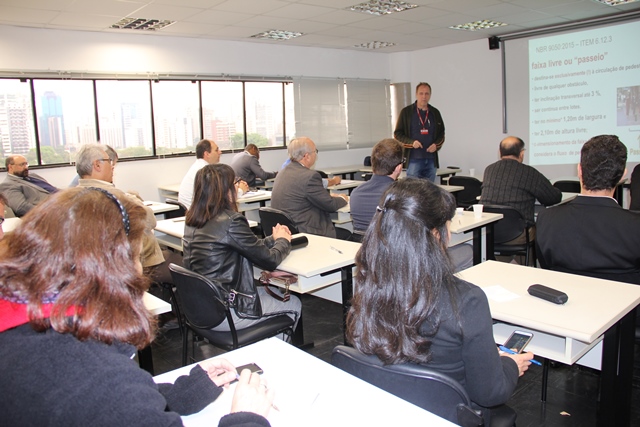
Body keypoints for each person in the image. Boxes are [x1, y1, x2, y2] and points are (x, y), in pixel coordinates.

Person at [0, 187, 275, 426]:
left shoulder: (27, 335)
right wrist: (246, 417)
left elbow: (105, 407)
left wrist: (184, 392)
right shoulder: (101, 377)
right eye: (136, 255)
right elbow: (108, 397)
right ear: (115, 268)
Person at [346, 178, 533, 423]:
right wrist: (509, 364)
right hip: (447, 415)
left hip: (390, 408)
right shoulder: (467, 300)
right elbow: (490, 394)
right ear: (435, 235)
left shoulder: (368, 286)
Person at [183, 163, 301, 332]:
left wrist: (273, 239)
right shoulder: (231, 221)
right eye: (235, 183)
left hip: (200, 308)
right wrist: (283, 241)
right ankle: (272, 355)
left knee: (272, 294)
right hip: (227, 311)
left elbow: (244, 245)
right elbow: (270, 260)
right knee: (294, 303)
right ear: (226, 190)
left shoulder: (193, 219)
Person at [350, 138, 472, 272]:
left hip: (369, 261)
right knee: (468, 250)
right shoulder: (404, 196)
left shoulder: (355, 193)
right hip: (403, 265)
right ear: (398, 167)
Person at [537, 135, 640, 285]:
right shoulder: (635, 226)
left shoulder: (546, 219)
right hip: (624, 305)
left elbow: (546, 266)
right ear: (622, 175)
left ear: (579, 170)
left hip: (564, 303)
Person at [75, 143, 180, 285]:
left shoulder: (73, 195)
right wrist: (134, 201)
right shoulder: (114, 197)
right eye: (108, 161)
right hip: (138, 264)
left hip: (97, 268)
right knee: (186, 266)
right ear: (97, 165)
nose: (112, 166)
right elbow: (149, 220)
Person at [481, 136, 561, 246]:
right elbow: (553, 198)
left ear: (500, 152)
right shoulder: (529, 173)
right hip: (518, 234)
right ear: (522, 153)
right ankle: (524, 263)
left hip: (488, 231)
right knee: (542, 229)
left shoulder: (489, 170)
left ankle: (507, 261)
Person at [271, 137, 348, 238]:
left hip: (288, 231)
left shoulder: (282, 172)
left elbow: (305, 197)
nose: (316, 155)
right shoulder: (310, 176)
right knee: (347, 234)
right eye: (315, 151)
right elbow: (331, 205)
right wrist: (343, 198)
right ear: (306, 156)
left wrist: (327, 196)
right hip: (307, 232)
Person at [394, 82, 445, 182]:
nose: (424, 97)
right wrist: (411, 143)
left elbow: (441, 134)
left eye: (427, 94)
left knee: (429, 191)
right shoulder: (406, 112)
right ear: (416, 94)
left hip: (431, 160)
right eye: (421, 93)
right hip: (413, 159)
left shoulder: (435, 112)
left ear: (430, 95)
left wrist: (436, 145)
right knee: (412, 189)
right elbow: (397, 134)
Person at [179, 139, 248, 209]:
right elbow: (223, 198)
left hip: (192, 214)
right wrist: (241, 190)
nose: (220, 152)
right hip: (201, 215)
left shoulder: (197, 166)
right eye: (216, 150)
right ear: (207, 154)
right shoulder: (205, 171)